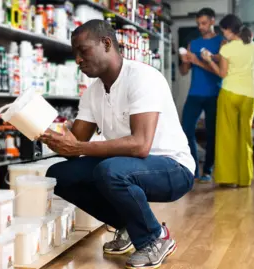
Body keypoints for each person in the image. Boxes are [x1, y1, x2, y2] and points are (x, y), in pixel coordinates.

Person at [39, 19, 195, 269]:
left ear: (107, 43)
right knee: (58, 175)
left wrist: (77, 147)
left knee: (110, 171)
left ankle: (155, 238)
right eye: (75, 54)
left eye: (83, 50)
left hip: (173, 168)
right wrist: (46, 132)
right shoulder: (93, 93)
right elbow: (75, 144)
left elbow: (140, 145)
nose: (78, 60)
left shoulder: (143, 77)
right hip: (127, 166)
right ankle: (129, 227)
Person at [198, 14, 254, 187]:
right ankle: (244, 179)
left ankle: (228, 178)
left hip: (230, 92)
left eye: (223, 30)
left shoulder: (227, 48)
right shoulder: (253, 47)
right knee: (245, 136)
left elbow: (222, 73)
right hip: (250, 94)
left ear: (228, 30)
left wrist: (209, 60)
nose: (222, 33)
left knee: (227, 136)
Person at [179, 8, 225, 183]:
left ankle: (208, 170)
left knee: (212, 133)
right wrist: (184, 61)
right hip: (194, 94)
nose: (201, 26)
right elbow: (184, 72)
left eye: (204, 23)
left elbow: (219, 72)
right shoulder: (194, 43)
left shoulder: (222, 42)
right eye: (198, 23)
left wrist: (197, 60)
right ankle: (194, 169)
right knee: (186, 130)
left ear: (212, 21)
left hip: (214, 94)